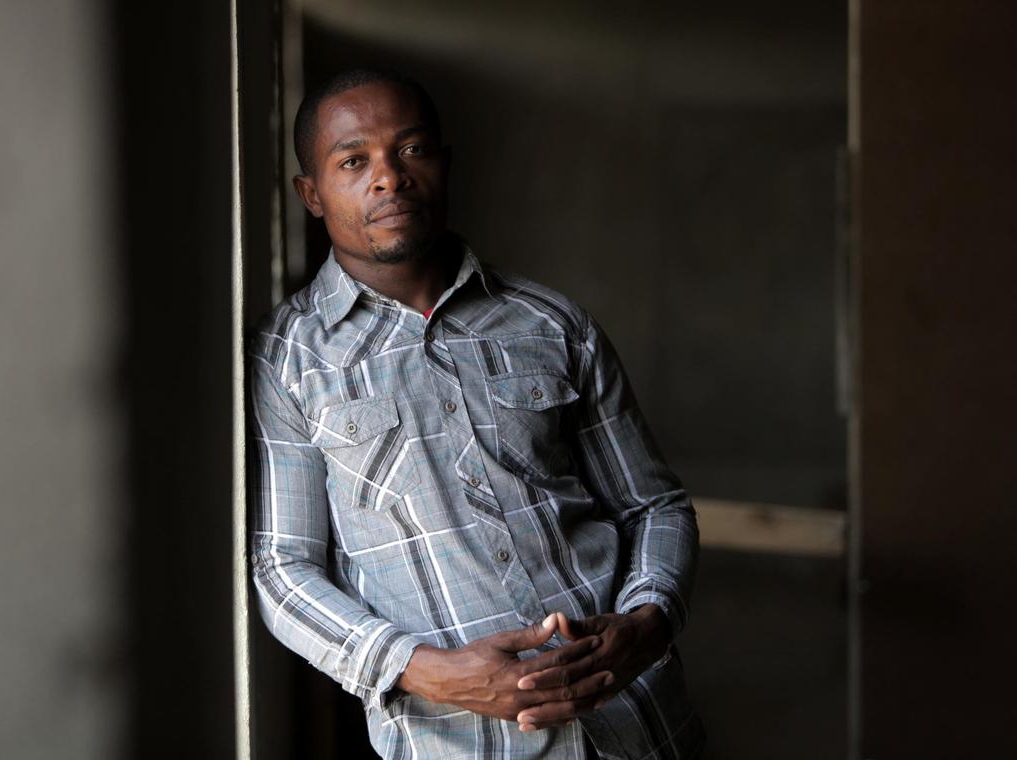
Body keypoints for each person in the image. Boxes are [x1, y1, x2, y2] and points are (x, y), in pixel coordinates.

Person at [248, 67, 703, 759]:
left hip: (641, 728)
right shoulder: (288, 359)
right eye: (353, 161)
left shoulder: (554, 324)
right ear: (312, 194)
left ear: (444, 162)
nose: (389, 179)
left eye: (412, 150)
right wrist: (422, 670)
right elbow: (284, 568)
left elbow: (654, 505)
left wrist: (647, 622)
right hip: (456, 745)